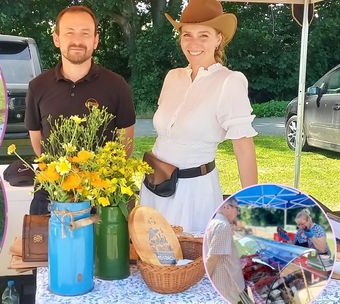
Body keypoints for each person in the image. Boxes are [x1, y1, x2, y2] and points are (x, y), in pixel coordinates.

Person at [140, 0, 258, 233]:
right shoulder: (173, 77)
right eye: (187, 35)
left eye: (203, 35)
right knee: (152, 262)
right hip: (154, 185)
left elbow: (244, 149)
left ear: (219, 39)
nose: (193, 43)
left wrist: (251, 206)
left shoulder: (229, 81)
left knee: (190, 264)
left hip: (193, 194)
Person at [25, 5, 136, 214]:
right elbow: (38, 143)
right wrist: (62, 178)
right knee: (44, 246)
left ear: (95, 40)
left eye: (85, 33)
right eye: (69, 33)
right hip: (52, 193)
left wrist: (96, 177)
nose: (77, 40)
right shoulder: (37, 86)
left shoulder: (117, 85)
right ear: (57, 39)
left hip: (103, 196)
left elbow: (125, 146)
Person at [205, 199, 248, 304]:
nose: (238, 212)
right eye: (236, 208)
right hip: (224, 285)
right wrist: (206, 282)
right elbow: (212, 258)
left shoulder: (216, 222)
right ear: (227, 207)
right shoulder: (222, 225)